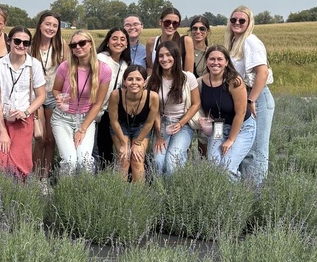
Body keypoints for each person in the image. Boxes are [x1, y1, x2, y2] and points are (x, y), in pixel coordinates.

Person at [226, 6, 275, 182]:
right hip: (244, 98)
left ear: (249, 23)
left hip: (257, 98)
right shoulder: (234, 43)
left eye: (242, 20)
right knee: (244, 148)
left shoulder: (250, 41)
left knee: (256, 150)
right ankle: (246, 191)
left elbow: (262, 72)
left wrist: (251, 99)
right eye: (234, 20)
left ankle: (256, 193)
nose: (237, 23)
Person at [0, 27, 46, 178]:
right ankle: (1, 195)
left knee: (21, 165)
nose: (21, 45)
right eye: (17, 41)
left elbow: (41, 96)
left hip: (23, 121)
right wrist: (2, 131)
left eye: (25, 43)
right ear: (9, 41)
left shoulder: (35, 65)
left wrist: (26, 112)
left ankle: (20, 197)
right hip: (1, 119)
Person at [51, 32, 111, 172]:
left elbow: (98, 104)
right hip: (62, 118)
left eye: (82, 43)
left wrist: (82, 129)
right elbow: (55, 89)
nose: (78, 47)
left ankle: (85, 191)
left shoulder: (103, 69)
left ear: (90, 44)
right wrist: (59, 98)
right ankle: (65, 191)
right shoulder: (65, 67)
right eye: (73, 45)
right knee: (70, 161)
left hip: (86, 118)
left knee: (84, 161)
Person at [199, 44, 256, 179]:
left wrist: (230, 139)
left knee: (227, 168)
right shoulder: (202, 82)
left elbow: (241, 113)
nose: (215, 63)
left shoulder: (234, 81)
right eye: (212, 59)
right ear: (206, 61)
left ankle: (236, 198)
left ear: (226, 62)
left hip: (242, 127)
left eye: (220, 59)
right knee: (214, 167)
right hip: (219, 127)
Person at [147, 41, 200, 176]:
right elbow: (155, 111)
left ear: (176, 57)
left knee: (172, 163)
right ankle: (158, 193)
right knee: (158, 162)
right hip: (162, 123)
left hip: (183, 124)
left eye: (168, 55)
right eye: (161, 56)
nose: (164, 59)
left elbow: (196, 103)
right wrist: (159, 135)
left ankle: (174, 194)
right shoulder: (152, 80)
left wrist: (181, 123)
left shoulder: (188, 78)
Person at [30, 10, 67, 179]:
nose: (50, 28)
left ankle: (45, 177)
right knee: (39, 137)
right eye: (47, 24)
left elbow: (67, 71)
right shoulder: (30, 45)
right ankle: (35, 175)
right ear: (40, 25)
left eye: (54, 26)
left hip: (54, 94)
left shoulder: (61, 45)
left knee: (50, 139)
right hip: (36, 94)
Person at [108, 65, 159, 183]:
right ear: (124, 82)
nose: (134, 83)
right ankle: (119, 194)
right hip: (120, 126)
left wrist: (137, 142)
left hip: (141, 127)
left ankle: (138, 196)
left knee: (137, 158)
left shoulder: (153, 97)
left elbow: (149, 122)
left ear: (145, 82)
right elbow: (113, 121)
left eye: (138, 79)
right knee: (124, 158)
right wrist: (123, 142)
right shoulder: (116, 94)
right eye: (130, 79)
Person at [95, 27, 131, 167]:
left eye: (122, 39)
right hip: (95, 111)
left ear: (127, 43)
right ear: (108, 42)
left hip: (111, 113)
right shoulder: (100, 59)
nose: (119, 42)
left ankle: (105, 178)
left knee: (106, 150)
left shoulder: (125, 64)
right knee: (96, 149)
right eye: (114, 39)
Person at [146, 7, 194, 74]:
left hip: (179, 83)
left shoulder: (186, 41)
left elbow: (188, 72)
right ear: (160, 22)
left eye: (175, 23)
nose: (171, 26)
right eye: (167, 22)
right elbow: (150, 68)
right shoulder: (152, 42)